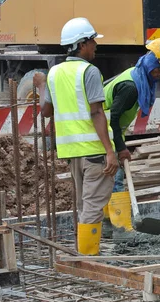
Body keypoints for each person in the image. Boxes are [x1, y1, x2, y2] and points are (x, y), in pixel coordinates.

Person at [40, 17, 118, 255]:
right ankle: (88, 258)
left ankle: (85, 253)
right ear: (82, 44)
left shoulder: (54, 73)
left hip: (72, 153)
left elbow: (46, 112)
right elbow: (96, 112)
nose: (96, 45)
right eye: (93, 40)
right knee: (93, 206)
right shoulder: (89, 71)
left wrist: (41, 86)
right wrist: (109, 150)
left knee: (84, 205)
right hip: (94, 151)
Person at [102, 38, 160, 237]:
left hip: (110, 133)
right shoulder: (131, 87)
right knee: (115, 178)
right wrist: (120, 147)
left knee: (108, 180)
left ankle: (108, 225)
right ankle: (120, 228)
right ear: (150, 62)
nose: (159, 74)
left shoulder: (140, 78)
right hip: (102, 133)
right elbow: (113, 118)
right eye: (158, 69)